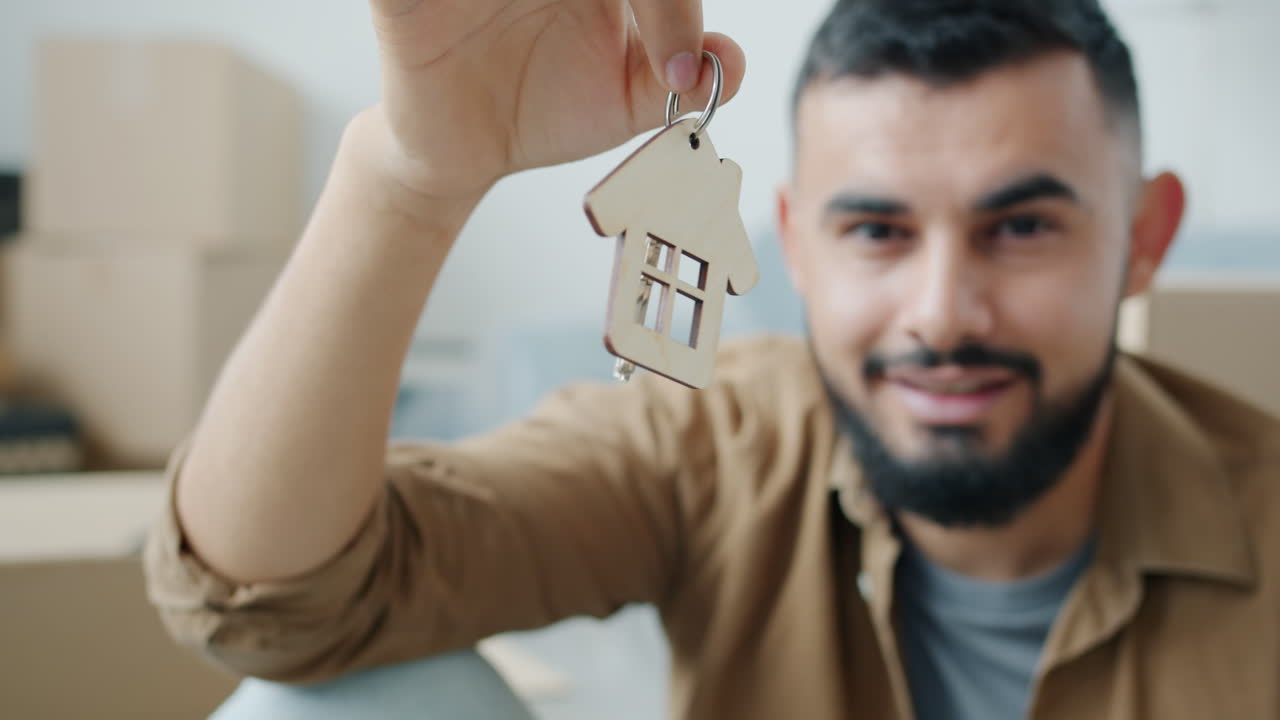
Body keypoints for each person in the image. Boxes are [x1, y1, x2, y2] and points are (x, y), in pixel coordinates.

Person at [143, 0, 1280, 718]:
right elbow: (273, 603)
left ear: (1142, 236)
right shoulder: (715, 447)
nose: (940, 314)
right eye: (875, 232)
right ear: (791, 242)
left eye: (1021, 227)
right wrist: (408, 173)